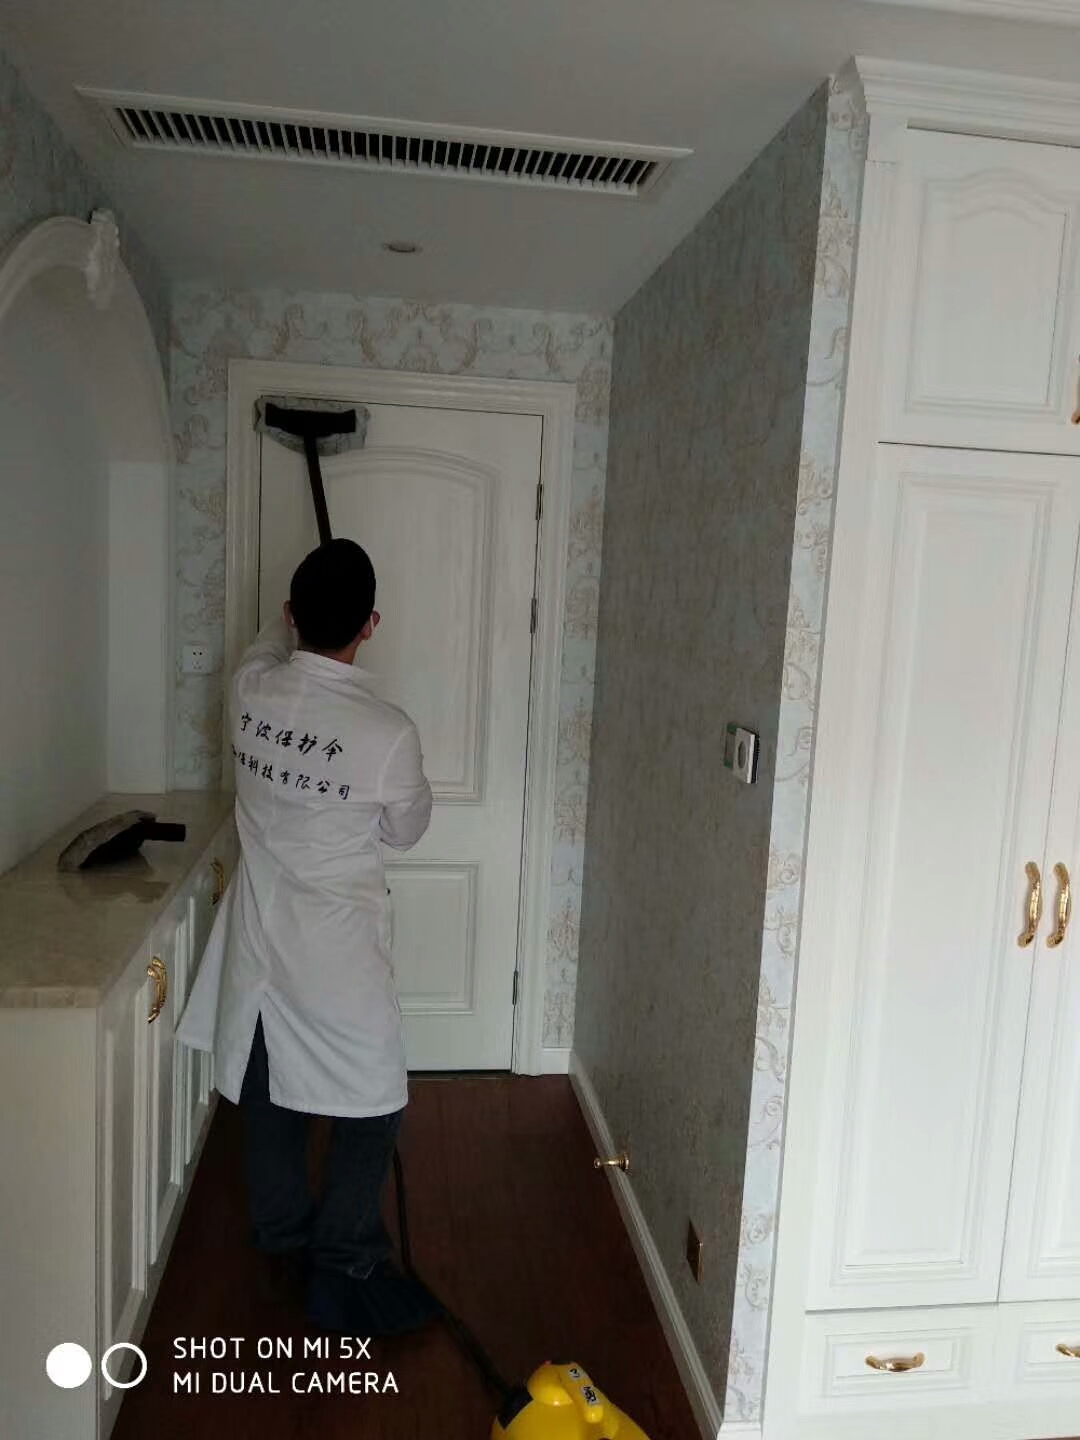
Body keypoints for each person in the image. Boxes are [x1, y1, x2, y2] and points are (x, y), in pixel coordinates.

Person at [177, 537, 439, 1334]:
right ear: (372, 624)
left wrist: (297, 615)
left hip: (260, 938)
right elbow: (406, 830)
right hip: (336, 951)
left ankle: (283, 1236)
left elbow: (271, 641)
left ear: (291, 614)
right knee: (376, 1101)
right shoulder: (387, 732)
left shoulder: (249, 688)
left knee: (268, 1095)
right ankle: (345, 1251)